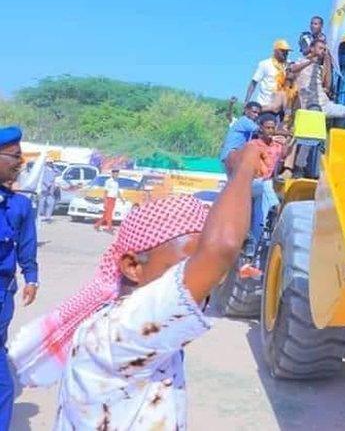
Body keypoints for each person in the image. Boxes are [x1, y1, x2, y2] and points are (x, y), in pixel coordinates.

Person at [9, 144, 260, 428]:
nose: (208, 276)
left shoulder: (136, 325)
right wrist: (243, 169)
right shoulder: (122, 329)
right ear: (132, 266)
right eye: (189, 263)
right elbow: (221, 248)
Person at [0, 126, 39, 430]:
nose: (20, 162)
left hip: (2, 293)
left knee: (3, 385)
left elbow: (27, 246)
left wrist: (32, 277)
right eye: (14, 156)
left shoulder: (20, 205)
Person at [300, 39, 345, 130]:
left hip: (325, 105)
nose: (322, 51)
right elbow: (292, 70)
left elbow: (326, 85)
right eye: (320, 48)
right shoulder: (300, 63)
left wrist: (327, 58)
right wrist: (310, 61)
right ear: (312, 48)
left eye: (324, 50)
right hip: (312, 108)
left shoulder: (319, 68)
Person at [246, 114, 284, 251]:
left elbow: (285, 156)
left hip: (266, 183)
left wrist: (290, 141)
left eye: (272, 128)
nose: (270, 131)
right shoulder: (252, 145)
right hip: (253, 182)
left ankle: (254, 247)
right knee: (266, 192)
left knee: (260, 217)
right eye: (267, 127)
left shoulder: (278, 147)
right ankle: (275, 208)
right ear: (261, 128)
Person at [245, 39, 292, 110]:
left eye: (287, 52)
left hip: (282, 106)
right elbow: (253, 83)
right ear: (275, 51)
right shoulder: (265, 64)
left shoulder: (289, 64)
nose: (285, 53)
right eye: (282, 51)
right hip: (265, 104)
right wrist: (246, 101)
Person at [219, 101, 262, 174]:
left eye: (258, 113)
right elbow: (262, 131)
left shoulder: (244, 121)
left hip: (230, 156)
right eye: (254, 112)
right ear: (246, 111)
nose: (256, 115)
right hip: (231, 155)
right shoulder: (245, 121)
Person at [94, 169, 124, 234]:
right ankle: (109, 228)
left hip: (113, 199)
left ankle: (97, 225)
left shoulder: (116, 182)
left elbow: (117, 192)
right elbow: (105, 192)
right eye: (115, 174)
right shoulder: (108, 181)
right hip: (109, 199)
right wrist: (105, 201)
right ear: (112, 174)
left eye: (117, 174)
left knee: (106, 214)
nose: (116, 175)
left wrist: (122, 199)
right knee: (109, 214)